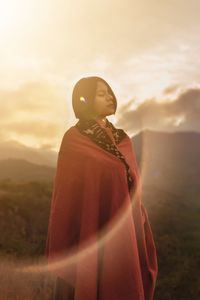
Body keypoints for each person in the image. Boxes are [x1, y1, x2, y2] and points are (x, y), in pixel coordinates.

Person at [45, 76, 158, 300]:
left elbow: (133, 189)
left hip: (126, 232)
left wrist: (139, 222)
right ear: (85, 100)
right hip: (90, 232)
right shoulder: (74, 140)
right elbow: (65, 197)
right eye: (100, 93)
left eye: (109, 92)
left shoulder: (123, 140)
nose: (109, 96)